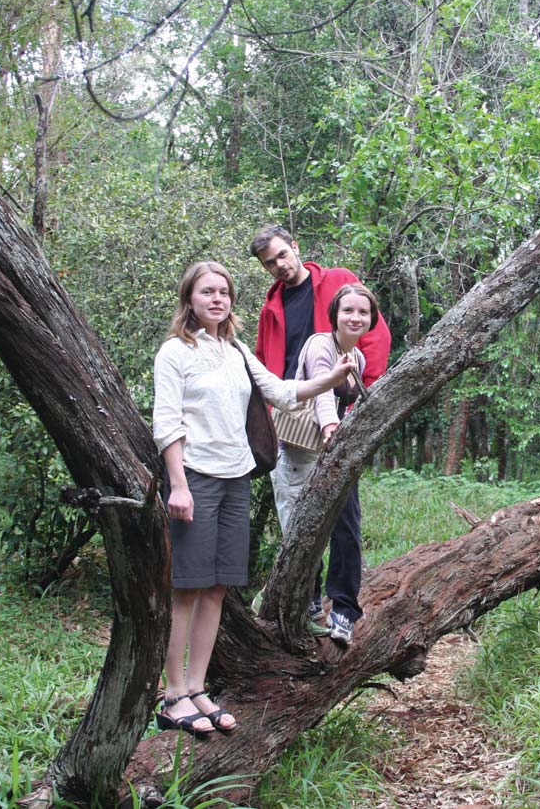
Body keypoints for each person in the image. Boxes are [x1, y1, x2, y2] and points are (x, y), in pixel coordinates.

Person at [152, 261, 353, 738]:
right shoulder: (174, 352)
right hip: (195, 478)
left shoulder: (236, 349)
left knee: (218, 587)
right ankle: (173, 692)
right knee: (186, 589)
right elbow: (166, 421)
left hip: (236, 477)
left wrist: (331, 378)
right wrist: (177, 484)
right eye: (206, 292)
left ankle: (198, 687)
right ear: (190, 299)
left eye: (223, 292)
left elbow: (282, 393)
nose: (216, 299)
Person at [251, 225, 392, 645]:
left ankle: (343, 608)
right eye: (268, 263)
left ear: (295, 247)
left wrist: (359, 392)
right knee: (295, 516)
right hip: (295, 422)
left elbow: (372, 332)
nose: (278, 265)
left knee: (345, 519)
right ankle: (304, 602)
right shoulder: (271, 306)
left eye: (281, 255)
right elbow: (266, 363)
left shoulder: (339, 284)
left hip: (336, 419)